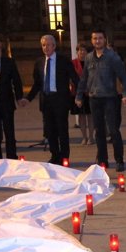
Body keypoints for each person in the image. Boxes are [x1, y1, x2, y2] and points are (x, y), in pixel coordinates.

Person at [75, 29, 126, 172]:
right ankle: (103, 161)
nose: (97, 41)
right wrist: (79, 95)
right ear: (92, 41)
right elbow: (84, 78)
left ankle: (119, 160)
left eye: (100, 38)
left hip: (110, 98)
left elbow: (123, 76)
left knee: (113, 130)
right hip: (94, 99)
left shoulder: (113, 57)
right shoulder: (88, 58)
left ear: (105, 40)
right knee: (99, 131)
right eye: (95, 38)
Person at [25, 34, 78, 165]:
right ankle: (55, 156)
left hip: (60, 101)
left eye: (48, 45)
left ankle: (65, 157)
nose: (46, 47)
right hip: (46, 101)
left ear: (54, 46)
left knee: (62, 131)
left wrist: (80, 94)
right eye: (43, 45)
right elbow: (37, 84)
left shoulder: (64, 60)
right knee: (50, 131)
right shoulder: (39, 62)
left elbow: (75, 79)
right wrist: (28, 98)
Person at [71, 43, 93, 145]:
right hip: (77, 92)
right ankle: (84, 137)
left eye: (84, 50)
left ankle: (91, 137)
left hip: (90, 92)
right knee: (81, 116)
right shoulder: (73, 63)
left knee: (90, 115)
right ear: (77, 52)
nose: (82, 52)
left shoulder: (91, 62)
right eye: (80, 50)